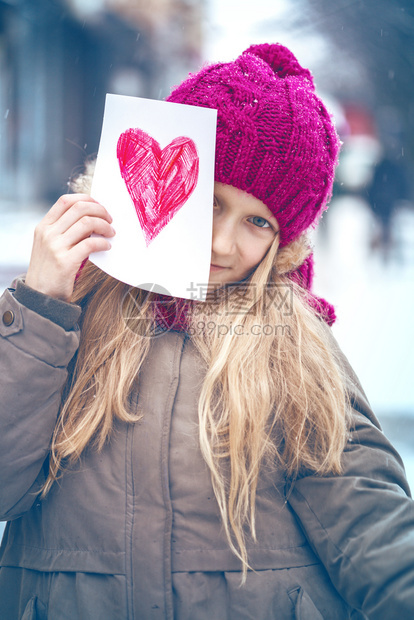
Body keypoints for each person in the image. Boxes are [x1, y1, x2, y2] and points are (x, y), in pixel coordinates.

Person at [0, 43, 413, 620]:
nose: (222, 243)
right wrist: (38, 308)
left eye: (257, 221)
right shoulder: (70, 312)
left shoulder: (290, 343)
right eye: (212, 201)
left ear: (284, 241)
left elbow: (368, 518)